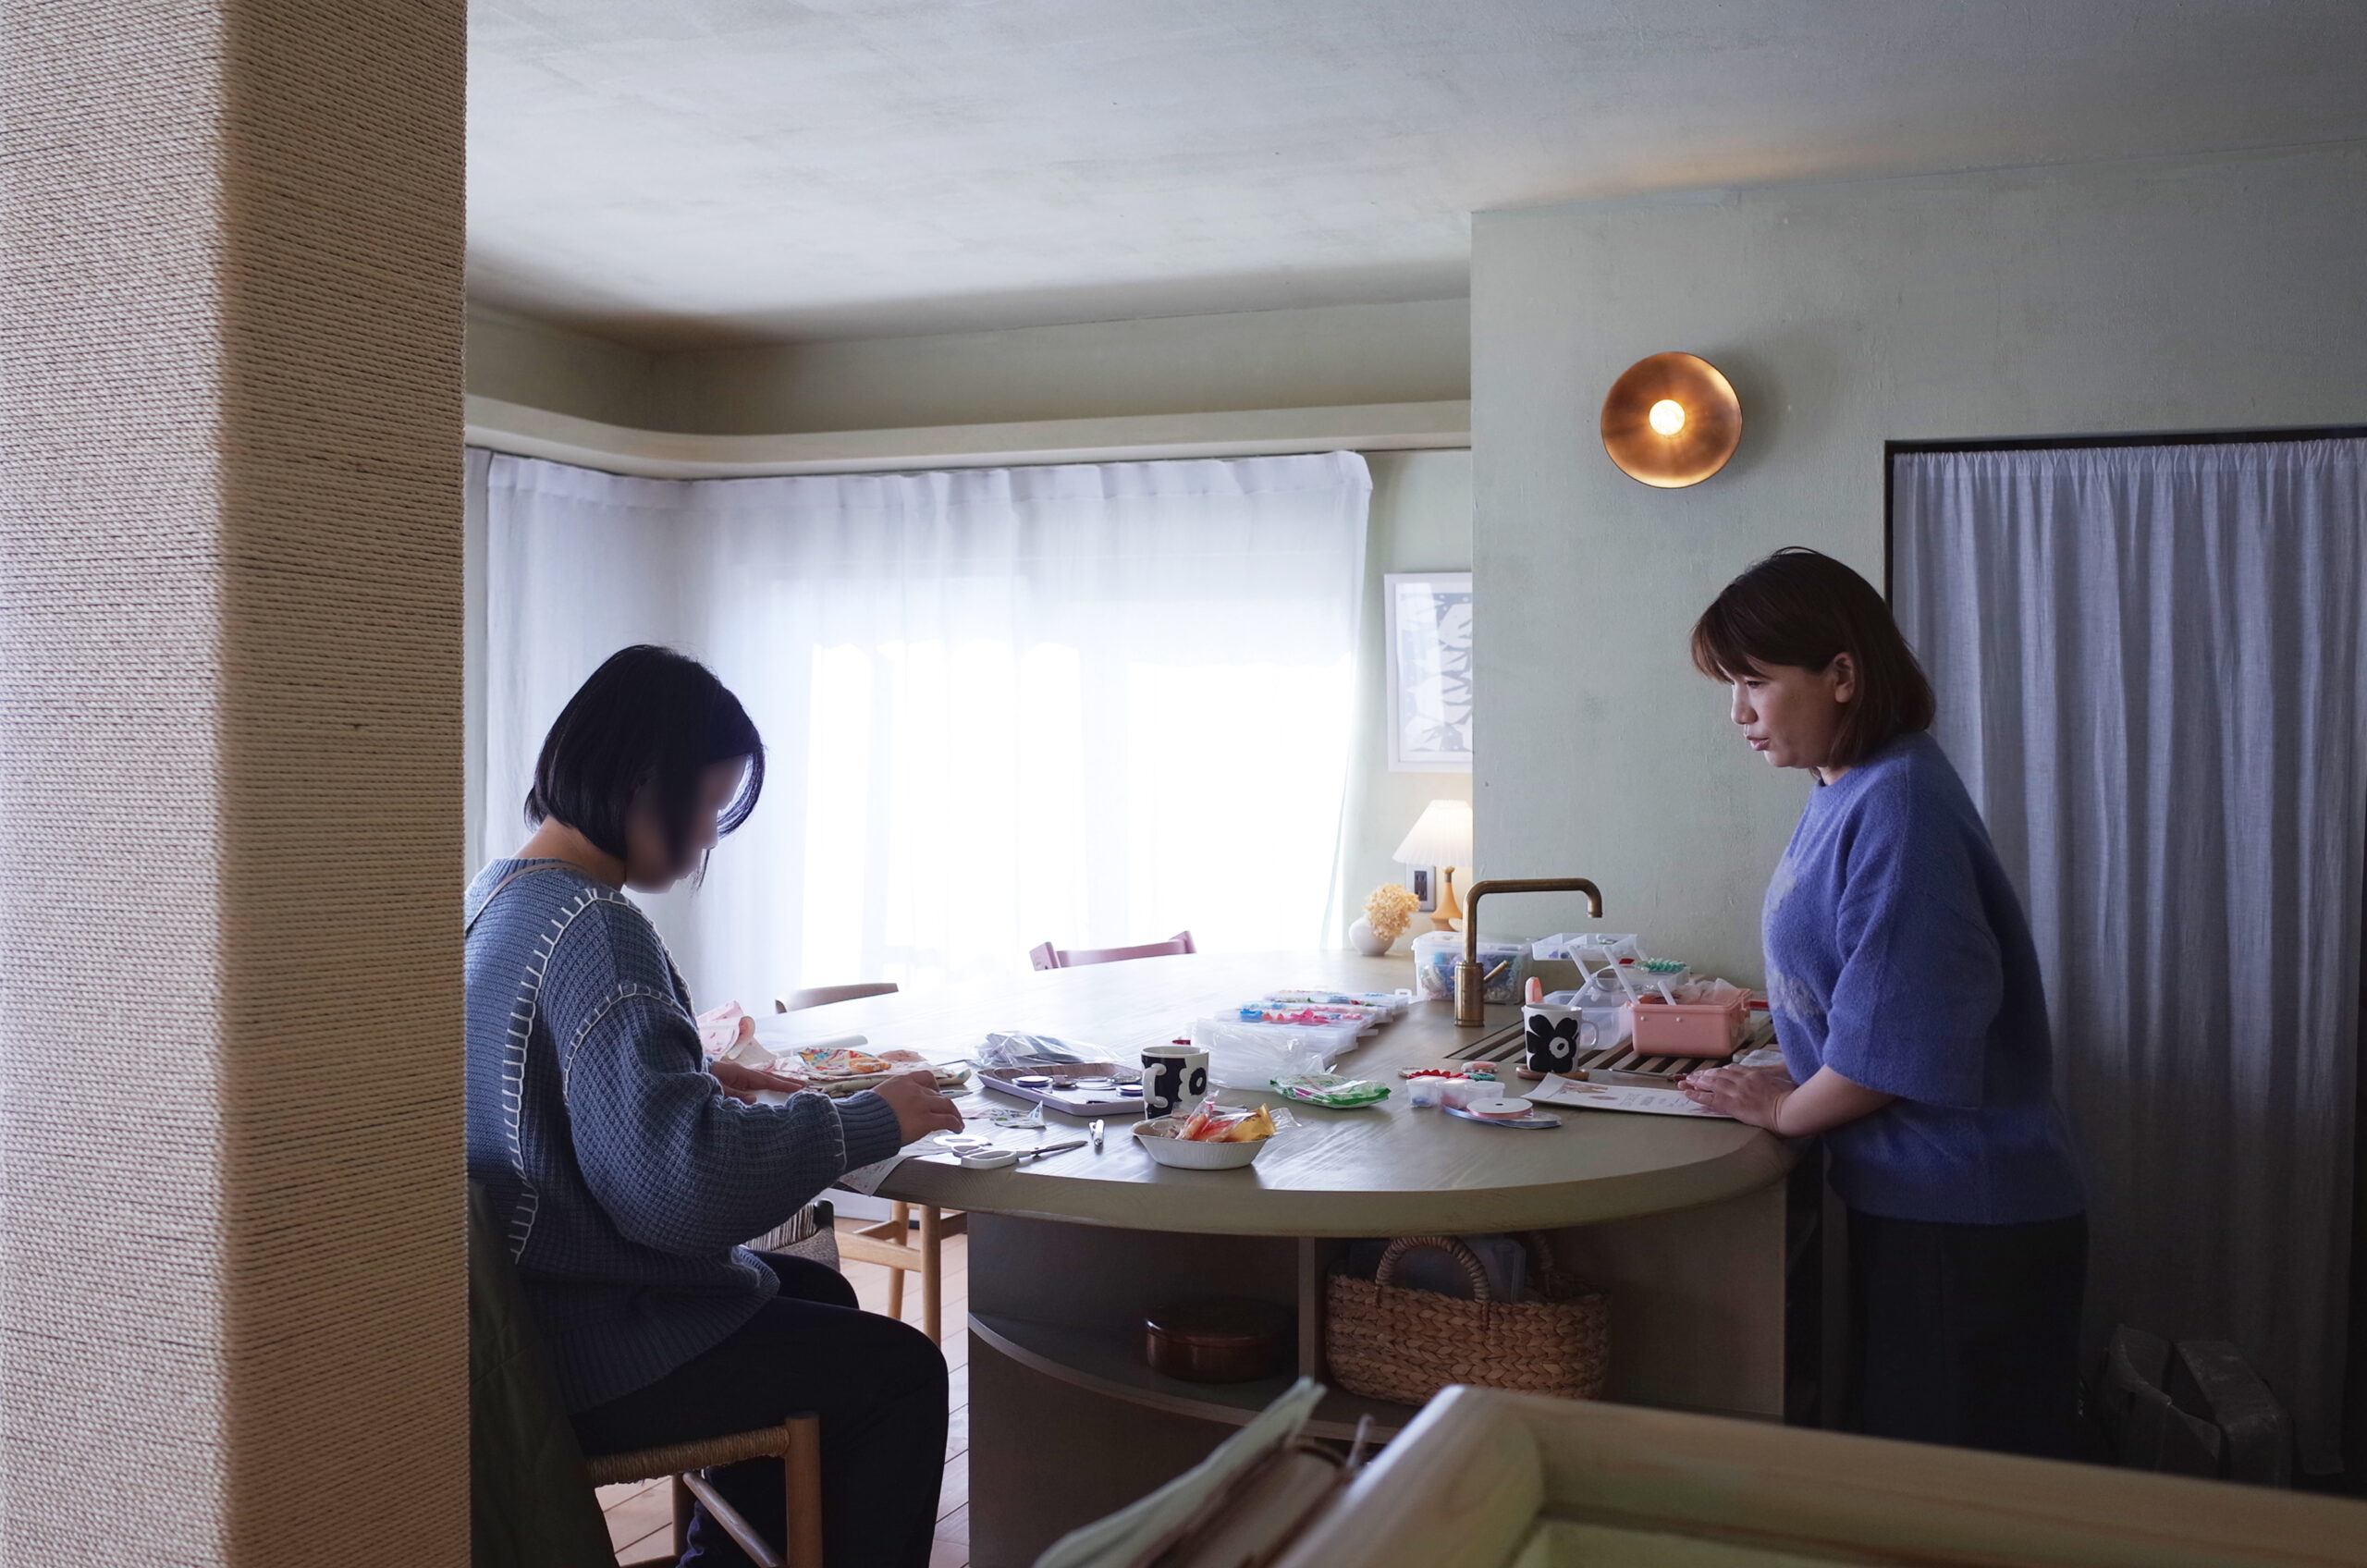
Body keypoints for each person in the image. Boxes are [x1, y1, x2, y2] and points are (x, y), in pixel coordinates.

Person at [464, 644, 966, 1566]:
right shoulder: (595, 927)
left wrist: (688, 1071)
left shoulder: (496, 897)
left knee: (817, 1290)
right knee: (902, 1373)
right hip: (585, 1342)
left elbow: (542, 1095)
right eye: (704, 805)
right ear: (641, 783)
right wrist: (870, 1119)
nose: (706, 838)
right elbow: (682, 1193)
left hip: (512, 1321)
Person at [1678, 549, 2089, 1459]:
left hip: (1965, 1214)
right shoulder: (1848, 784)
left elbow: (1898, 1044)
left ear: (1841, 675)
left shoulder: (1897, 803)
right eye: (1730, 685)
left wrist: (1786, 1107)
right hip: (1927, 1198)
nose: (1737, 712)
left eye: (1755, 681)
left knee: (1949, 1490)